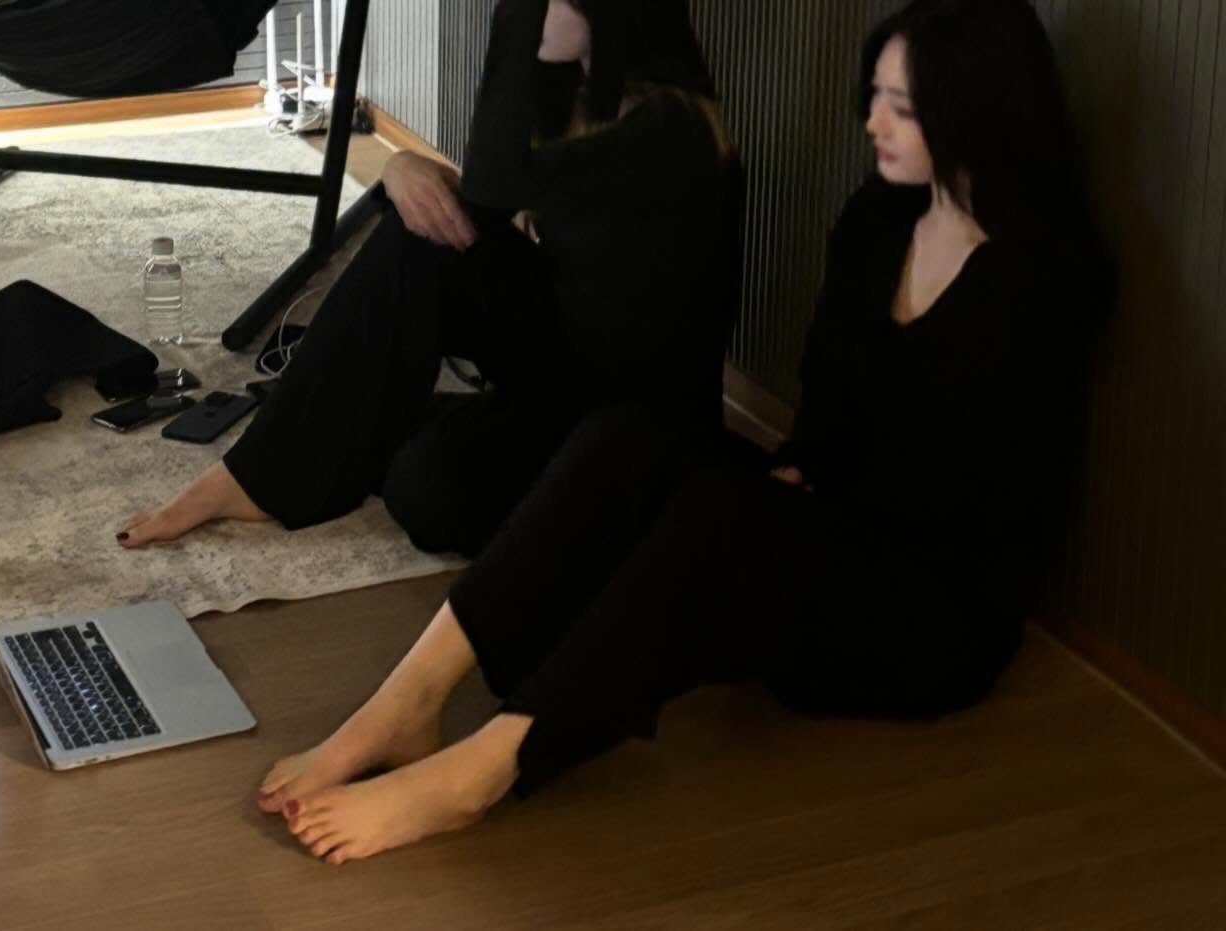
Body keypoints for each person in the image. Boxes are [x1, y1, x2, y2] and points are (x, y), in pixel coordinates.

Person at [255, 0, 1114, 865]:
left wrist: (784, 508)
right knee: (631, 436)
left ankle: (481, 773)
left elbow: (985, 504)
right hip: (831, 519)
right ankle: (406, 701)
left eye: (903, 107)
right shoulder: (879, 221)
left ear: (976, 108)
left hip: (928, 612)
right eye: (876, 96)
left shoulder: (1045, 280)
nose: (873, 122)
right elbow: (828, 403)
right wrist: (798, 473)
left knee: (717, 515)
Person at [116, 0, 740, 556]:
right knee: (420, 237)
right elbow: (481, 211)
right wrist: (401, 168)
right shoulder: (580, 94)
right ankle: (255, 476)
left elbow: (494, 186)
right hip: (567, 359)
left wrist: (522, 22)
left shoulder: (673, 124)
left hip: (636, 422)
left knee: (430, 491)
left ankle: (347, 424)